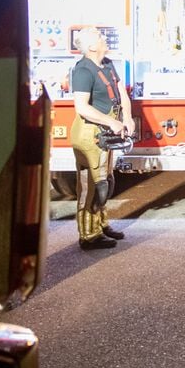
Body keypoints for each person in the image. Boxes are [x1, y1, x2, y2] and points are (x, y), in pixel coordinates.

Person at [70, 26, 133, 250]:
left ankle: (101, 225)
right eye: (99, 37)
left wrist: (127, 117)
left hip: (104, 132)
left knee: (106, 181)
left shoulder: (107, 64)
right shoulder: (83, 70)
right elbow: (82, 107)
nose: (104, 38)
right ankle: (88, 235)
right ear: (91, 47)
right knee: (93, 187)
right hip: (89, 134)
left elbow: (122, 93)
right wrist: (111, 122)